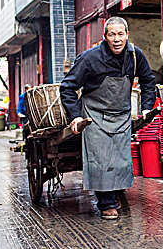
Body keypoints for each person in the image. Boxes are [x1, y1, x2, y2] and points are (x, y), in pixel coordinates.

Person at [60, 16, 156, 220]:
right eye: (112, 34)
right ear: (105, 37)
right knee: (101, 160)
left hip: (121, 115)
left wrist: (147, 107)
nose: (117, 39)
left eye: (121, 34)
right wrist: (75, 116)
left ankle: (115, 192)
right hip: (94, 116)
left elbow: (148, 81)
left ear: (127, 35)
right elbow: (68, 87)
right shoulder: (89, 58)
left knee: (121, 160)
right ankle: (107, 203)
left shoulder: (135, 55)